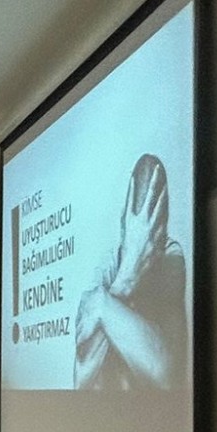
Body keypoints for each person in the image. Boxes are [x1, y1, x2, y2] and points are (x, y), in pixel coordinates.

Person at [75, 153, 188, 390]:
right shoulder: (108, 263)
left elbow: (166, 375)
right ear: (124, 218)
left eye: (155, 226)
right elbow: (82, 379)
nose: (147, 235)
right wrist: (129, 273)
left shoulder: (170, 255)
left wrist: (103, 303)